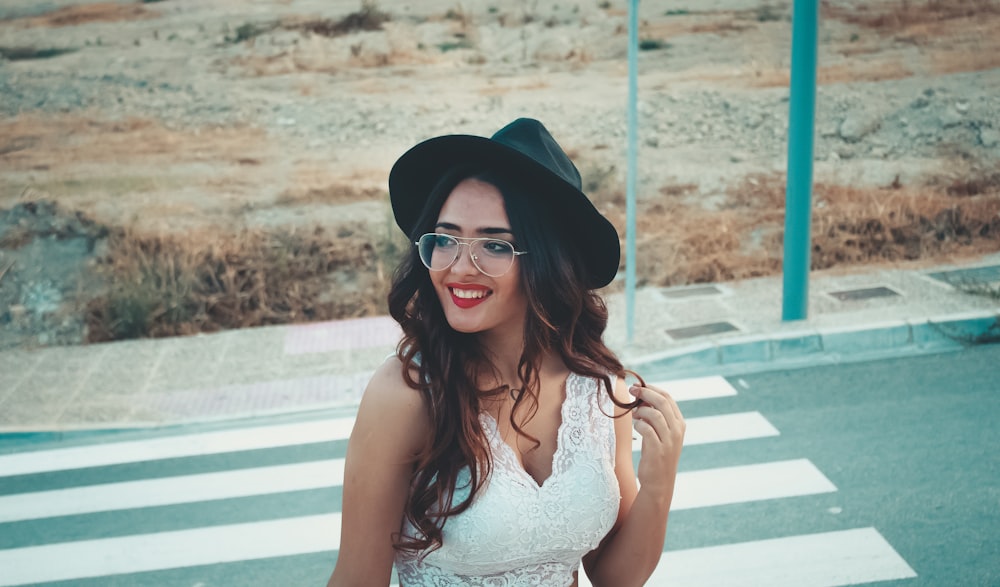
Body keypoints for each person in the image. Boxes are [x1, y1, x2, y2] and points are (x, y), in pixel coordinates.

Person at [327, 118, 685, 587]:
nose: (459, 267)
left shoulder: (598, 391)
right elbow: (356, 580)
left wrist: (659, 481)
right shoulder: (407, 394)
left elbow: (614, 579)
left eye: (494, 245)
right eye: (446, 239)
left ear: (549, 259)